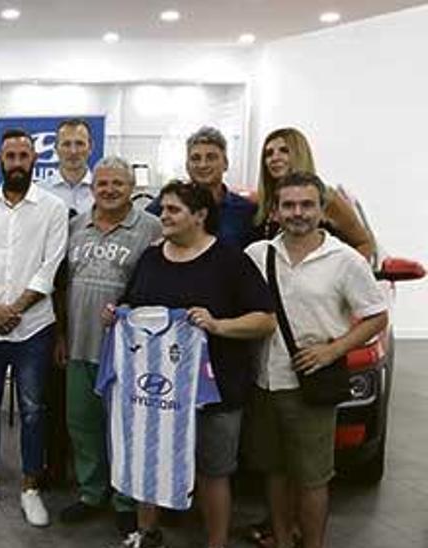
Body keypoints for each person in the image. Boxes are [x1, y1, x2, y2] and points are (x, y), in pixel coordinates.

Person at [113, 181, 275, 548]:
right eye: (163, 209)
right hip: (156, 390)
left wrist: (218, 325)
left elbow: (265, 320)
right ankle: (146, 533)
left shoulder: (231, 260)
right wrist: (117, 314)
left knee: (212, 472)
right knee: (149, 460)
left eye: (173, 210)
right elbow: (131, 305)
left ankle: (215, 543)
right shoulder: (152, 258)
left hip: (216, 392)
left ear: (200, 216)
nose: (163, 216)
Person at [245, 172, 388, 548]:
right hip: (264, 382)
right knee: (274, 472)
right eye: (288, 205)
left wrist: (333, 350)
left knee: (312, 478)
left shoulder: (344, 260)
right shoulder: (257, 256)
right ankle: (281, 537)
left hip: (310, 386)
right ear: (274, 211)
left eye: (307, 204)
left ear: (323, 211)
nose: (298, 213)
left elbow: (377, 316)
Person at [0, 129, 68, 526]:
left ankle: (30, 488)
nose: (17, 162)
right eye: (10, 156)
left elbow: (50, 266)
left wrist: (15, 309)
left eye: (24, 155)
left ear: (34, 159)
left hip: (34, 327)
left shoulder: (52, 208)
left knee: (35, 410)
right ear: (0, 160)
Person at [54, 157, 162, 537]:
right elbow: (63, 285)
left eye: (118, 183)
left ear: (132, 187)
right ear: (92, 187)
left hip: (127, 355)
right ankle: (90, 493)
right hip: (80, 345)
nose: (110, 190)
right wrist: (62, 335)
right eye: (102, 184)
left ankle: (125, 500)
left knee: (124, 429)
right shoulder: (75, 226)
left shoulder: (151, 228)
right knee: (82, 425)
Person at [253, 127, 374, 259]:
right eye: (269, 153)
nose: (275, 158)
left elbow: (364, 243)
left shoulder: (328, 198)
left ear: (299, 154)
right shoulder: (263, 203)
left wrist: (347, 275)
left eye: (284, 151)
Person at [148, 126, 258, 251]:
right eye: (195, 158)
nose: (203, 165)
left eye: (211, 157)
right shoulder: (164, 206)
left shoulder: (246, 211)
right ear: (187, 166)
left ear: (226, 163)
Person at [39, 118, 96, 216]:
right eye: (66, 144)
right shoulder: (40, 192)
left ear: (90, 147)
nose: (73, 151)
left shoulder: (103, 192)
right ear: (56, 148)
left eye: (79, 144)